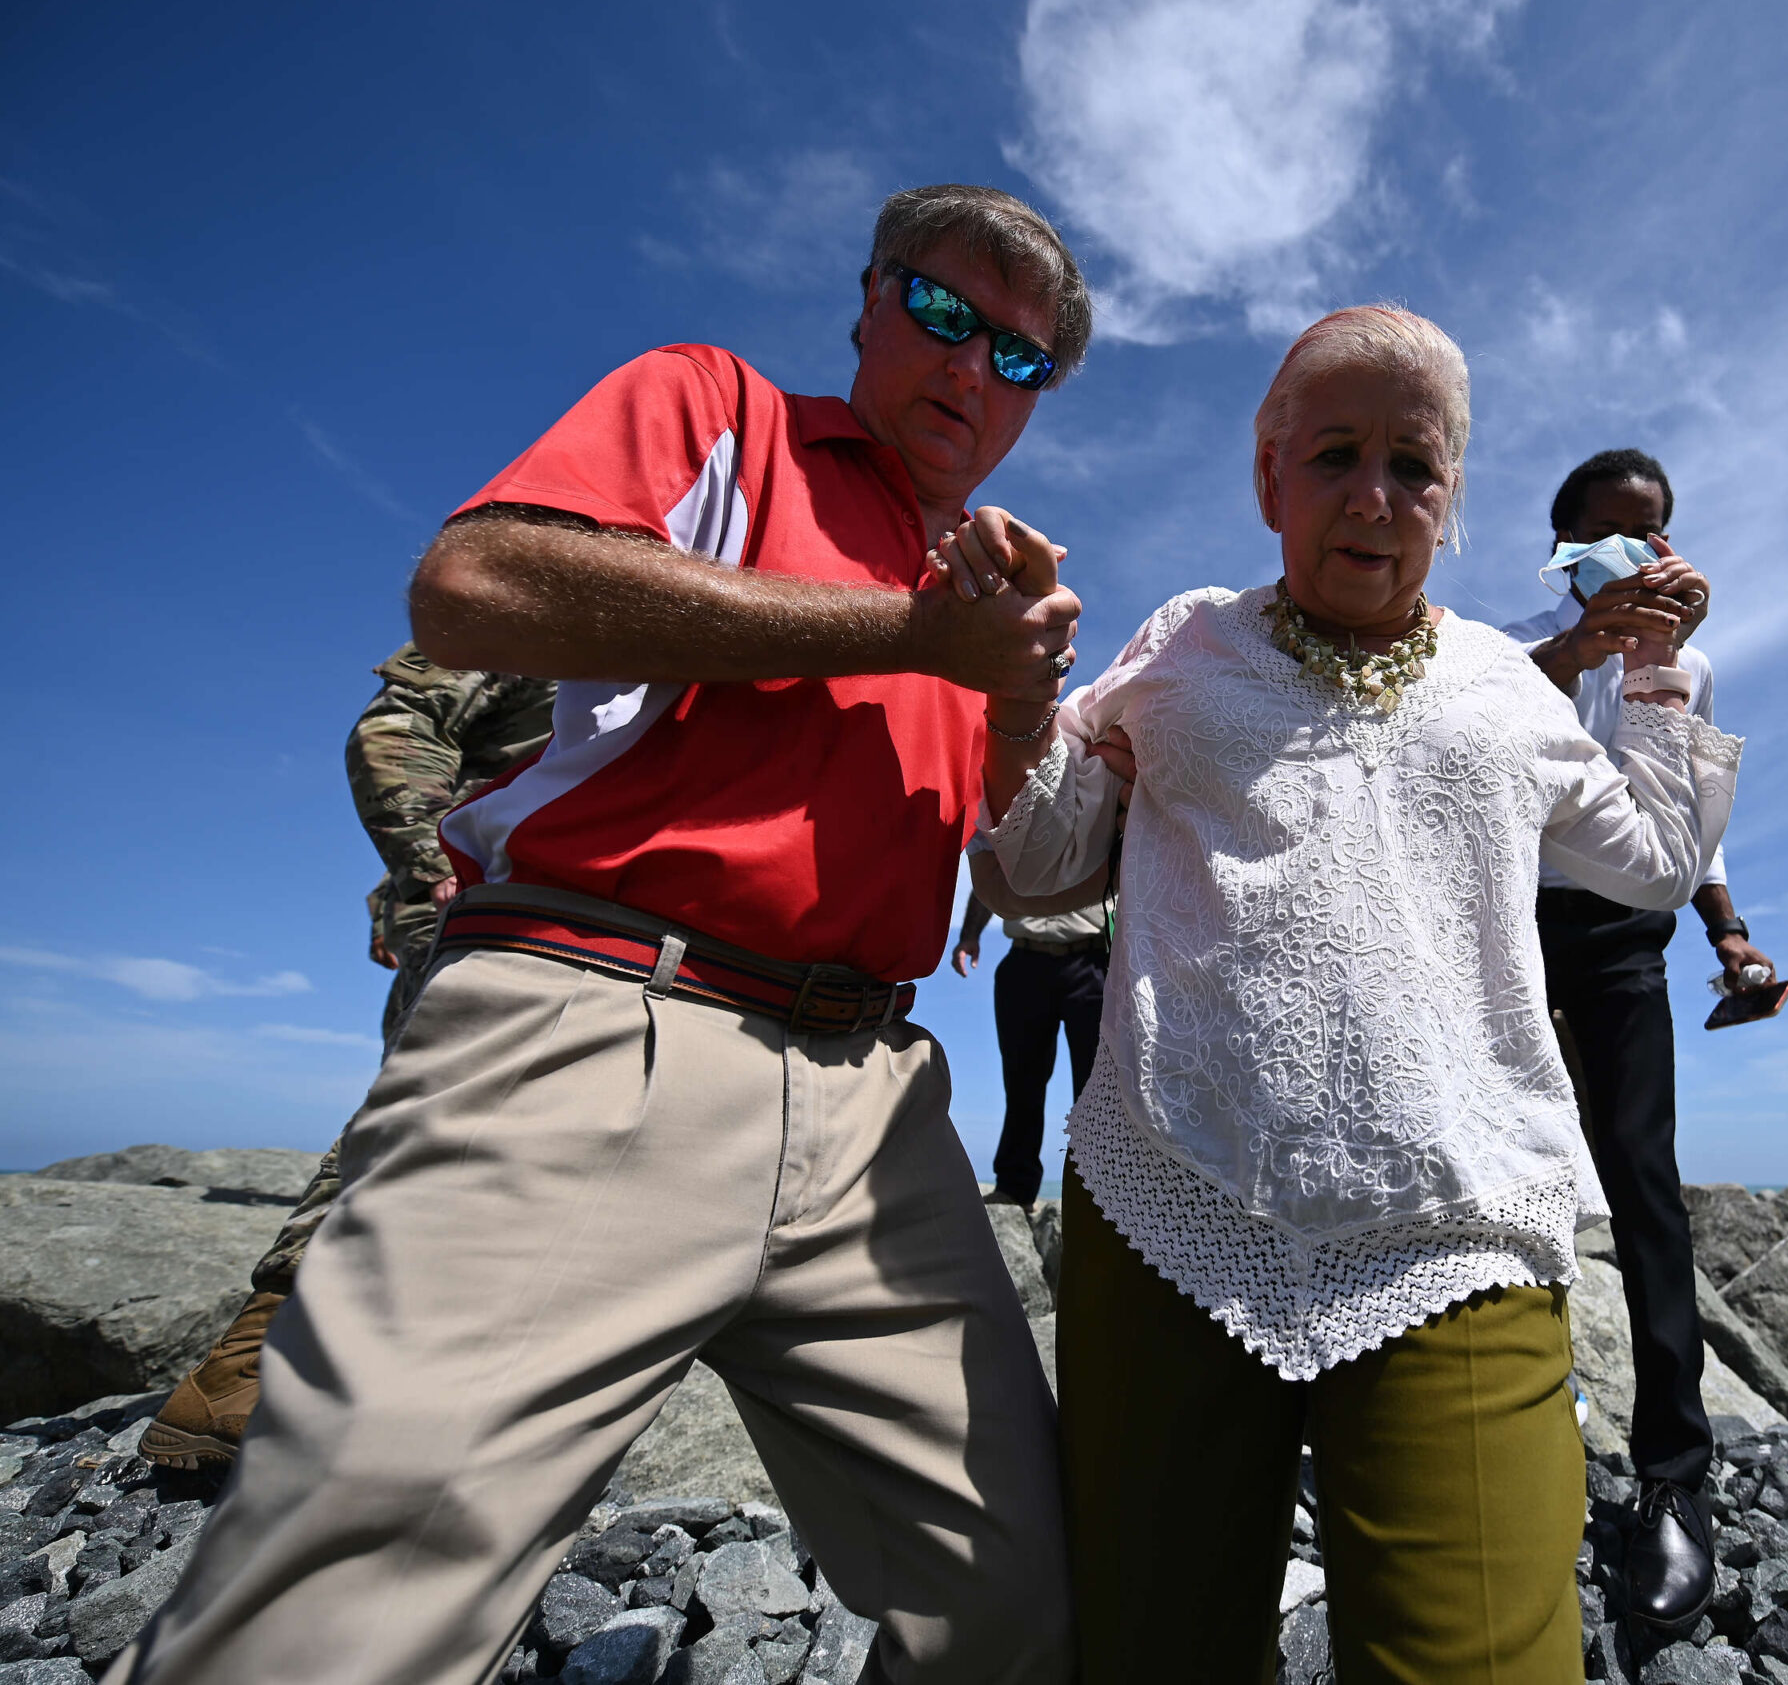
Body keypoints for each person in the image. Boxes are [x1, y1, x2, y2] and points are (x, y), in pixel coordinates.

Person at [107, 184, 1091, 1685]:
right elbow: (474, 583)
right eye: (946, 314)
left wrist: (1009, 693)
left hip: (876, 1096)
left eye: (1021, 358)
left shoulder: (977, 585)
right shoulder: (724, 408)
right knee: (331, 1628)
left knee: (1021, 1600)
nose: (972, 369)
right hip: (600, 1017)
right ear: (871, 303)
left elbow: (991, 859)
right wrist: (908, 635)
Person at [979, 306, 1741, 1681]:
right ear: (1269, 478)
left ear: (1453, 506)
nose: (1375, 496)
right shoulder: (1181, 643)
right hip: (1170, 1202)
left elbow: (1652, 869)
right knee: (1150, 1646)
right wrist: (1023, 694)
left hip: (1455, 1221)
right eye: (1335, 454)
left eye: (1416, 465)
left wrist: (1654, 672)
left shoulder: (1512, 685)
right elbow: (1039, 862)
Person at [139, 648, 554, 1473]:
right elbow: (400, 728)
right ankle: (254, 1369)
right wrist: (434, 864)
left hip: (606, 911)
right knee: (448, 1096)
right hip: (494, 896)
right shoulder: (559, 590)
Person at [1500, 447, 1774, 1625]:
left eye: (1654, 531)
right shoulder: (1493, 642)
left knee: (1645, 1187)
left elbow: (1686, 823)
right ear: (1562, 545)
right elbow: (1476, 756)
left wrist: (1731, 935)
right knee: (1508, 1174)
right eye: (1612, 531)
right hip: (1500, 923)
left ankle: (1673, 1478)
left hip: (1623, 939)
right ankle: (1514, 1430)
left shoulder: (1691, 666)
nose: (1640, 551)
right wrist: (1588, 650)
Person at [949, 836, 1112, 1205]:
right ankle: (1014, 1187)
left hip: (1093, 962)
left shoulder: (1103, 798)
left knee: (1097, 1087)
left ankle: (1097, 1193)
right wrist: (969, 936)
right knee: (1021, 1079)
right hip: (1025, 963)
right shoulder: (1021, 806)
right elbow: (993, 874)